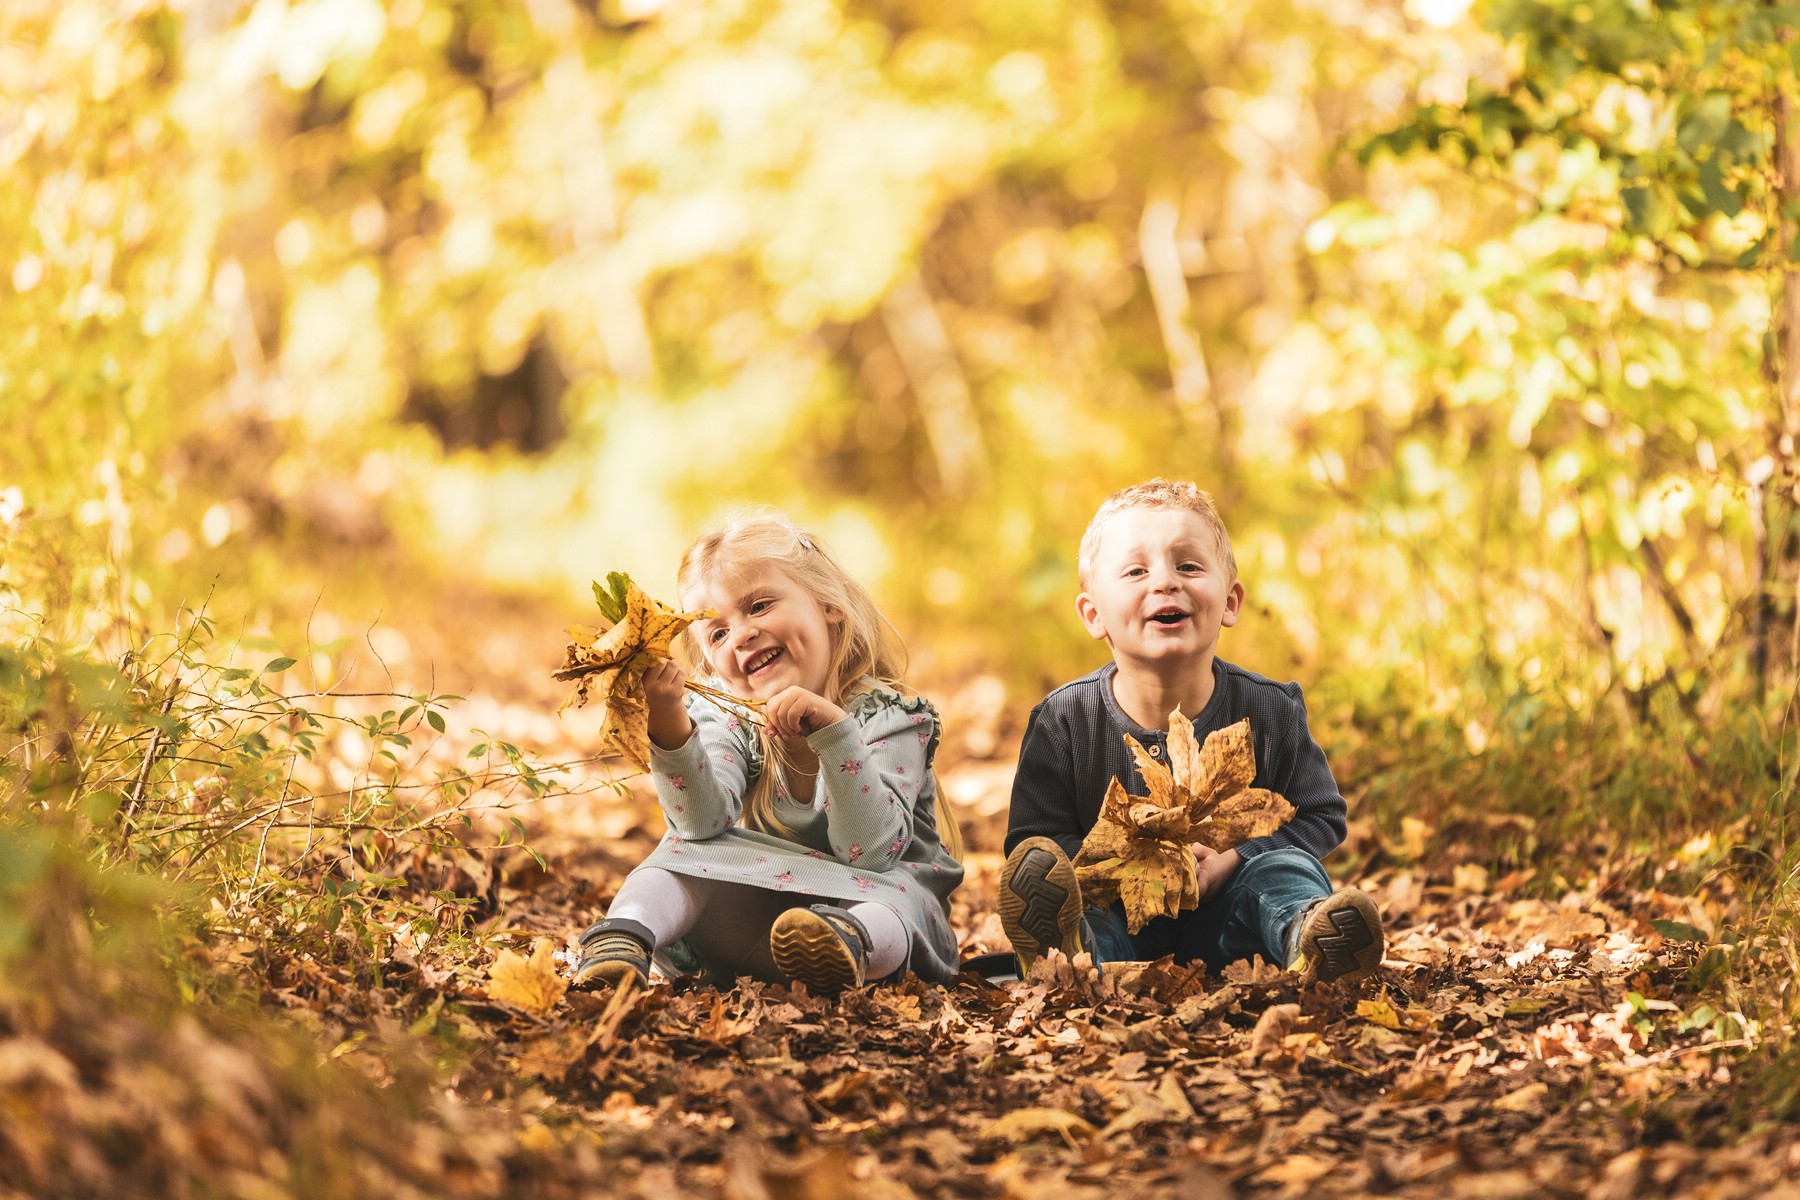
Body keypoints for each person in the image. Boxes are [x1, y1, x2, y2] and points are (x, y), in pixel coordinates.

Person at [1000, 479, 1383, 985]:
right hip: (1118, 927)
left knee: (1282, 870)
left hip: (1235, 931)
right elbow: (1034, 840)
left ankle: (1306, 942)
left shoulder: (1269, 711)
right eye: (1136, 570)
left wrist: (1235, 858)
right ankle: (1068, 957)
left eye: (1189, 566)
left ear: (1229, 601)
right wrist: (1122, 866)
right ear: (1094, 615)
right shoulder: (1064, 722)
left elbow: (1321, 814)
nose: (1165, 582)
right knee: (1077, 902)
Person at [571, 515, 964, 995]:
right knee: (680, 852)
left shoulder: (889, 715)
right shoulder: (728, 717)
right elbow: (701, 824)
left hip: (872, 918)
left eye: (758, 606)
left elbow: (871, 852)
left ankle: (846, 943)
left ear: (828, 606)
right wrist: (671, 724)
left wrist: (836, 736)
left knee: (895, 897)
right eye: (716, 634)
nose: (740, 636)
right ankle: (624, 935)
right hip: (758, 927)